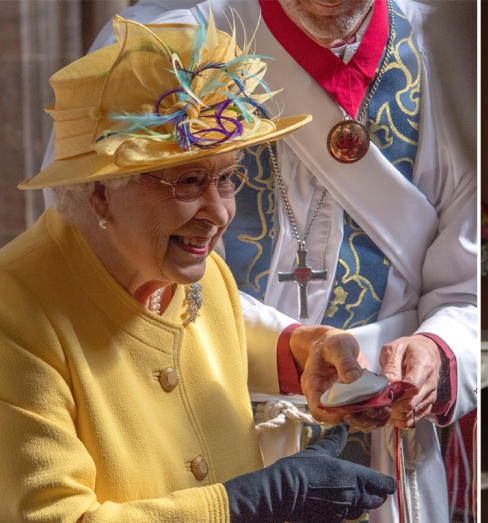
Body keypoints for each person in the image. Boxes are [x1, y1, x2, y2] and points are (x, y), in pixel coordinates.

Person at [73, 1, 479, 521]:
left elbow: (467, 294)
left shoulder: (449, 45)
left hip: (389, 453)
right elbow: (98, 260)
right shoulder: (154, 41)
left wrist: (439, 352)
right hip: (196, 441)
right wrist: (292, 351)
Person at [1, 16, 396, 522]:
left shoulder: (191, 269)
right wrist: (251, 503)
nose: (220, 212)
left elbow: (212, 343)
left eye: (228, 178)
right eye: (189, 181)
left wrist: (308, 352)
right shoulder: (14, 313)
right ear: (101, 193)